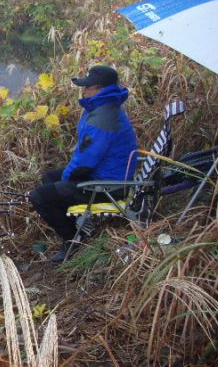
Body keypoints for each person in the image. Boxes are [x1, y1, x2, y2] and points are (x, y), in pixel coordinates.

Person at [29, 65, 137, 262]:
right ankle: (79, 224)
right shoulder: (104, 107)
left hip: (109, 186)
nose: (84, 91)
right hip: (109, 173)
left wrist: (66, 178)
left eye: (88, 87)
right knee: (48, 178)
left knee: (39, 197)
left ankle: (73, 240)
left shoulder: (103, 117)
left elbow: (85, 163)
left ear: (101, 89)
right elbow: (87, 154)